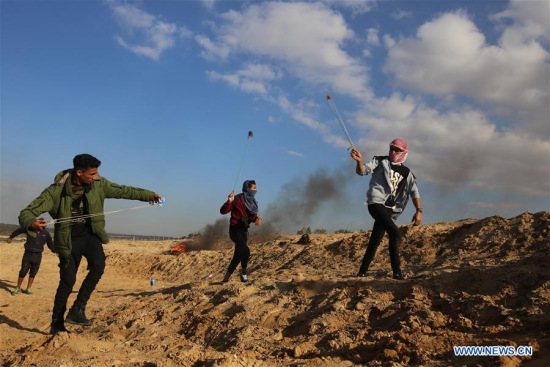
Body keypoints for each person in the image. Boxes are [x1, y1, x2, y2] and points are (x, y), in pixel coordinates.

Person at [18, 154, 163, 335]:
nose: (95, 177)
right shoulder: (55, 191)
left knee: (98, 265)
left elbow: (125, 190)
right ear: (79, 172)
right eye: (91, 174)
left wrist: (149, 195)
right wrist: (30, 223)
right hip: (68, 239)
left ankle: (78, 308)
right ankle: (57, 322)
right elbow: (26, 212)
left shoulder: (99, 184)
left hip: (90, 235)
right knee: (68, 281)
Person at [350, 139, 422, 280]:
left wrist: (419, 211)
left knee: (375, 240)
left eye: (396, 150)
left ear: (403, 152)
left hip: (390, 209)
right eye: (391, 148)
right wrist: (359, 161)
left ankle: (364, 272)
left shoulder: (407, 173)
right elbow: (363, 171)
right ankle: (398, 271)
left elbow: (415, 192)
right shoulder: (380, 161)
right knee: (395, 233)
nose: (392, 152)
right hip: (376, 203)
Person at [220, 180, 262, 283]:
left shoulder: (252, 202)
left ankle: (225, 279)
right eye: (252, 189)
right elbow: (223, 211)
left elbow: (252, 216)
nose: (254, 191)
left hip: (244, 232)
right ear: (247, 189)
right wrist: (229, 202)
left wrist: (257, 219)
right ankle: (244, 272)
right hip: (235, 230)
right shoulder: (237, 199)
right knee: (246, 251)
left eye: (255, 189)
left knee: (237, 256)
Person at [7, 220, 56, 295]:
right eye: (40, 223)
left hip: (38, 255)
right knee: (23, 271)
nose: (42, 224)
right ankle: (18, 288)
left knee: (33, 273)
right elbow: (19, 230)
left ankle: (28, 288)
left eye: (43, 223)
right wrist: (11, 237)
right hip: (28, 254)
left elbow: (50, 245)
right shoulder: (30, 230)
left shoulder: (46, 234)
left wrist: (56, 251)